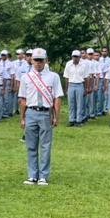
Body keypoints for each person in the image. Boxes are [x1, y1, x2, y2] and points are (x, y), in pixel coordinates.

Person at [17, 48, 63, 185]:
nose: (38, 63)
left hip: (45, 113)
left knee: (45, 146)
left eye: (40, 60)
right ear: (31, 60)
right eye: (36, 60)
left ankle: (43, 176)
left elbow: (57, 98)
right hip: (31, 112)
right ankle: (32, 175)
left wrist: (56, 116)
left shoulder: (53, 77)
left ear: (46, 61)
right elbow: (23, 99)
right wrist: (22, 118)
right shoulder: (26, 77)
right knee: (31, 145)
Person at [63, 50, 88, 126]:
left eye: (76, 57)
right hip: (71, 85)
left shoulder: (83, 65)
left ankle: (79, 120)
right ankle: (72, 120)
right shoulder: (68, 64)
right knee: (71, 103)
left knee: (80, 103)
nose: (75, 58)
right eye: (74, 56)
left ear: (80, 57)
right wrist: (66, 89)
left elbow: (86, 78)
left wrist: (86, 88)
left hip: (80, 84)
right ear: (72, 57)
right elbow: (66, 77)